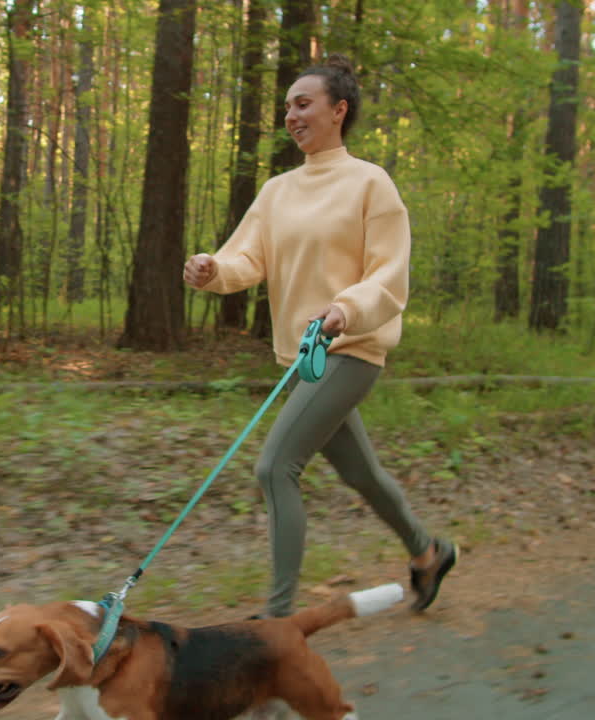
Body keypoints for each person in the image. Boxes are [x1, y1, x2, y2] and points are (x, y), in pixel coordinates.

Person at [183, 53, 456, 616]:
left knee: (274, 466)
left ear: (339, 110)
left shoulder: (370, 184)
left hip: (350, 348)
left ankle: (278, 619)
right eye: (287, 106)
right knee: (361, 472)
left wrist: (346, 309)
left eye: (303, 103)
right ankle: (429, 551)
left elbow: (390, 273)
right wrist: (213, 270)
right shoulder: (278, 190)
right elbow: (245, 258)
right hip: (302, 357)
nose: (291, 115)